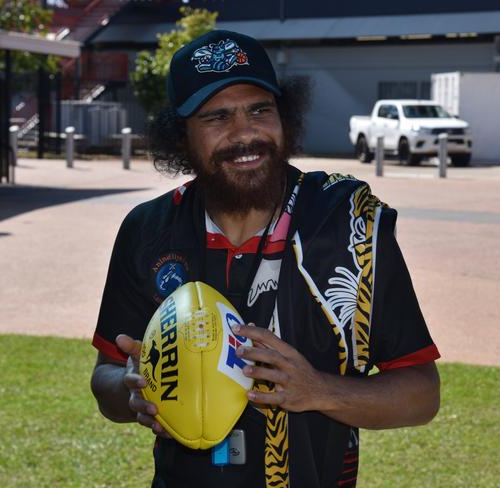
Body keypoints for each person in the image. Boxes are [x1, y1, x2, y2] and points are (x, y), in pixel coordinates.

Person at [91, 30, 440, 488]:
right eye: (217, 117)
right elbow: (105, 379)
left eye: (260, 109)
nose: (245, 133)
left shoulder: (348, 227)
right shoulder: (148, 230)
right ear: (181, 137)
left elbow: (422, 393)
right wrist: (130, 389)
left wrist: (318, 390)